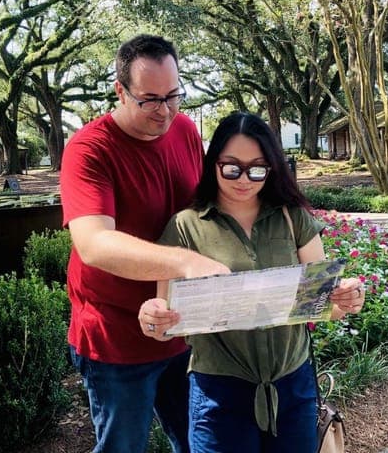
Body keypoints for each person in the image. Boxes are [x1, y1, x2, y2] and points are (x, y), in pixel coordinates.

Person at [138, 112, 366, 453]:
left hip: (293, 387)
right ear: (213, 163)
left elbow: (324, 305)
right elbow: (165, 321)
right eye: (231, 167)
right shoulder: (186, 226)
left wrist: (347, 297)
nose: (244, 179)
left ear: (272, 168)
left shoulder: (292, 217)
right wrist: (152, 316)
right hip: (219, 394)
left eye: (257, 169)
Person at [60, 34, 230, 453]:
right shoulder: (88, 150)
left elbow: (206, 207)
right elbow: (95, 244)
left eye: (174, 95)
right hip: (115, 337)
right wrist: (185, 262)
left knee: (198, 443)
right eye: (150, 99)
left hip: (180, 326)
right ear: (120, 91)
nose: (166, 110)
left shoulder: (185, 129)